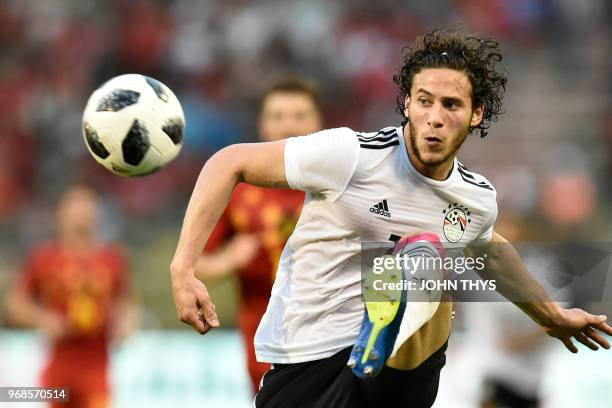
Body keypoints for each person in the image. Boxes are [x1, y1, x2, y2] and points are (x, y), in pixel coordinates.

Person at [169, 29, 612, 407]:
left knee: (431, 259)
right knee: (428, 256)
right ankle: (392, 311)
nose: (435, 118)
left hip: (398, 372)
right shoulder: (350, 156)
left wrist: (550, 315)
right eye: (425, 101)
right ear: (406, 103)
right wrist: (183, 267)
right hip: (306, 354)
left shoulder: (476, 199)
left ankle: (392, 322)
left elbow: (488, 252)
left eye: (452, 105)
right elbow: (229, 162)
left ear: (476, 114)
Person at [195, 78, 323, 393]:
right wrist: (229, 259)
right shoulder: (237, 191)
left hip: (330, 331)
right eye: (278, 117)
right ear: (263, 126)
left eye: (299, 115)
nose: (289, 125)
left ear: (318, 122)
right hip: (265, 338)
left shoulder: (338, 184)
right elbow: (195, 266)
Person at [6, 185, 136, 408]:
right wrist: (42, 318)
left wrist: (125, 324)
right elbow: (16, 302)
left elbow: (125, 302)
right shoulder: (44, 259)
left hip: (96, 368)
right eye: (75, 211)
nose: (81, 218)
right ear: (61, 216)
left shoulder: (112, 260)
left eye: (87, 211)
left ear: (97, 216)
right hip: (59, 366)